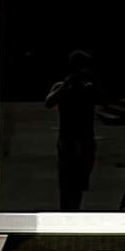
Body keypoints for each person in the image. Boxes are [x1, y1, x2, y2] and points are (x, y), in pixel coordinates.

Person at [42, 48, 99, 207]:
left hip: (85, 138)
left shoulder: (88, 85)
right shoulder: (63, 86)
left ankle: (75, 208)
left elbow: (102, 98)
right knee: (66, 178)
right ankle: (66, 208)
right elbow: (48, 102)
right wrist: (67, 84)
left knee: (81, 179)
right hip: (68, 138)